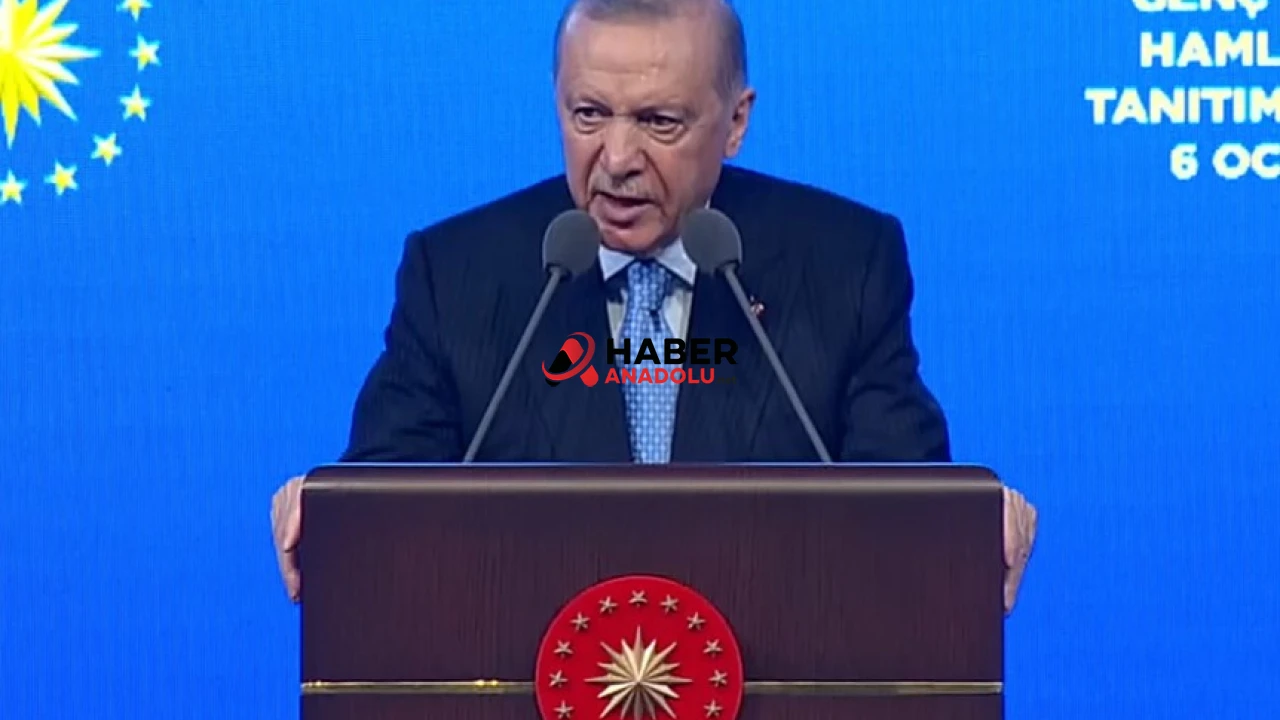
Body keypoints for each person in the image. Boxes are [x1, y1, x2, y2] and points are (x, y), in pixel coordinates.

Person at [270, 0, 1037, 610]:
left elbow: (903, 493)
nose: (616, 159)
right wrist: (336, 510)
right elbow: (390, 492)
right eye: (588, 115)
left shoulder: (843, 261)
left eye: (658, 122)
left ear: (736, 121)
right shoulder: (459, 272)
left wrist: (963, 520)